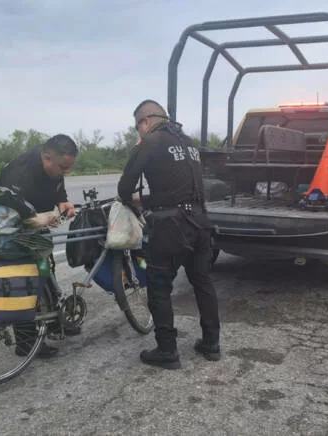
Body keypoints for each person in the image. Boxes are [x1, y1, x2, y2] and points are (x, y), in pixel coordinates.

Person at [117, 99, 221, 370]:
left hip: (171, 227)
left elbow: (125, 185)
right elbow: (182, 188)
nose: (139, 131)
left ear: (145, 121)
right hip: (200, 221)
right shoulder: (188, 143)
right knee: (202, 283)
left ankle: (167, 350)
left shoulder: (150, 142)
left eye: (137, 126)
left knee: (159, 286)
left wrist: (137, 200)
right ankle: (212, 343)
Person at [0, 134, 80, 358]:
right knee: (26, 282)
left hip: (38, 226)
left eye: (69, 168)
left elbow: (58, 185)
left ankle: (54, 322)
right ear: (46, 157)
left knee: (45, 272)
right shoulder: (19, 172)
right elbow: (9, 211)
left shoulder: (54, 166)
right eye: (63, 167)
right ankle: (26, 342)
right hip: (13, 230)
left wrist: (63, 201)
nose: (66, 172)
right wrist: (40, 219)